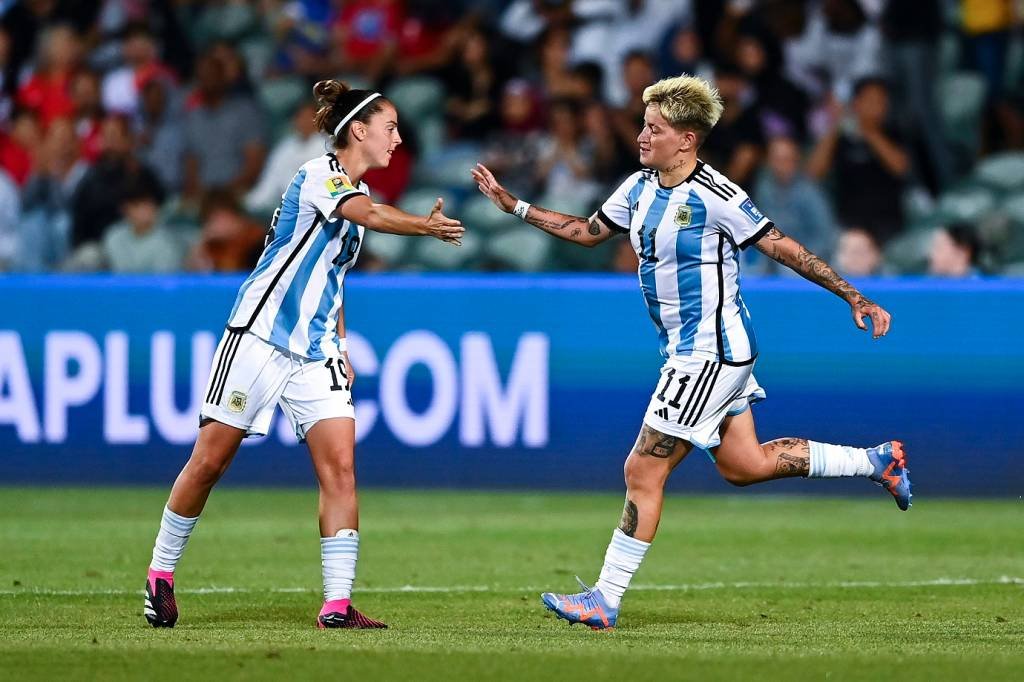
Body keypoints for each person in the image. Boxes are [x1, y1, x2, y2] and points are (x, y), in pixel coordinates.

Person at [471, 74, 910, 631]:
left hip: (711, 353)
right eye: (643, 125)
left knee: (642, 469)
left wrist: (853, 295)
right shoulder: (637, 188)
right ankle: (877, 461)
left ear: (687, 139)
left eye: (654, 128)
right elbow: (586, 230)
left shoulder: (718, 196)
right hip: (691, 352)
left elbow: (784, 248)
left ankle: (604, 599)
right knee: (743, 466)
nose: (641, 136)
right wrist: (515, 205)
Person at [142, 79, 464, 630]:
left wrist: (339, 342)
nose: (398, 137)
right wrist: (424, 226)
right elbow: (374, 216)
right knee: (211, 460)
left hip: (315, 352)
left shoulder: (349, 192)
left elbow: (331, 278)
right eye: (389, 127)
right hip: (261, 337)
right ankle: (160, 574)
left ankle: (336, 605)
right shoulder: (320, 176)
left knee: (341, 468)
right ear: (358, 131)